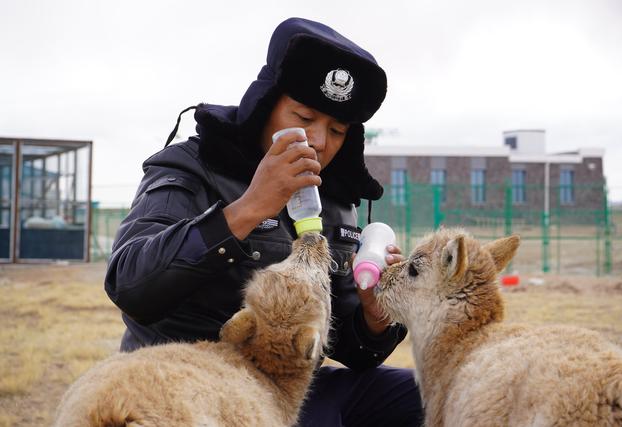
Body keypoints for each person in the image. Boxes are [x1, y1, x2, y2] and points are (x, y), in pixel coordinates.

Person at [105, 17, 423, 426]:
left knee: (440, 394)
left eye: (337, 129)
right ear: (265, 103)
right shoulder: (192, 166)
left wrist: (374, 319)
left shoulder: (336, 198)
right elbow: (130, 285)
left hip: (290, 385)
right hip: (187, 385)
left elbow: (350, 348)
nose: (319, 142)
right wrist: (248, 208)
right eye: (304, 118)